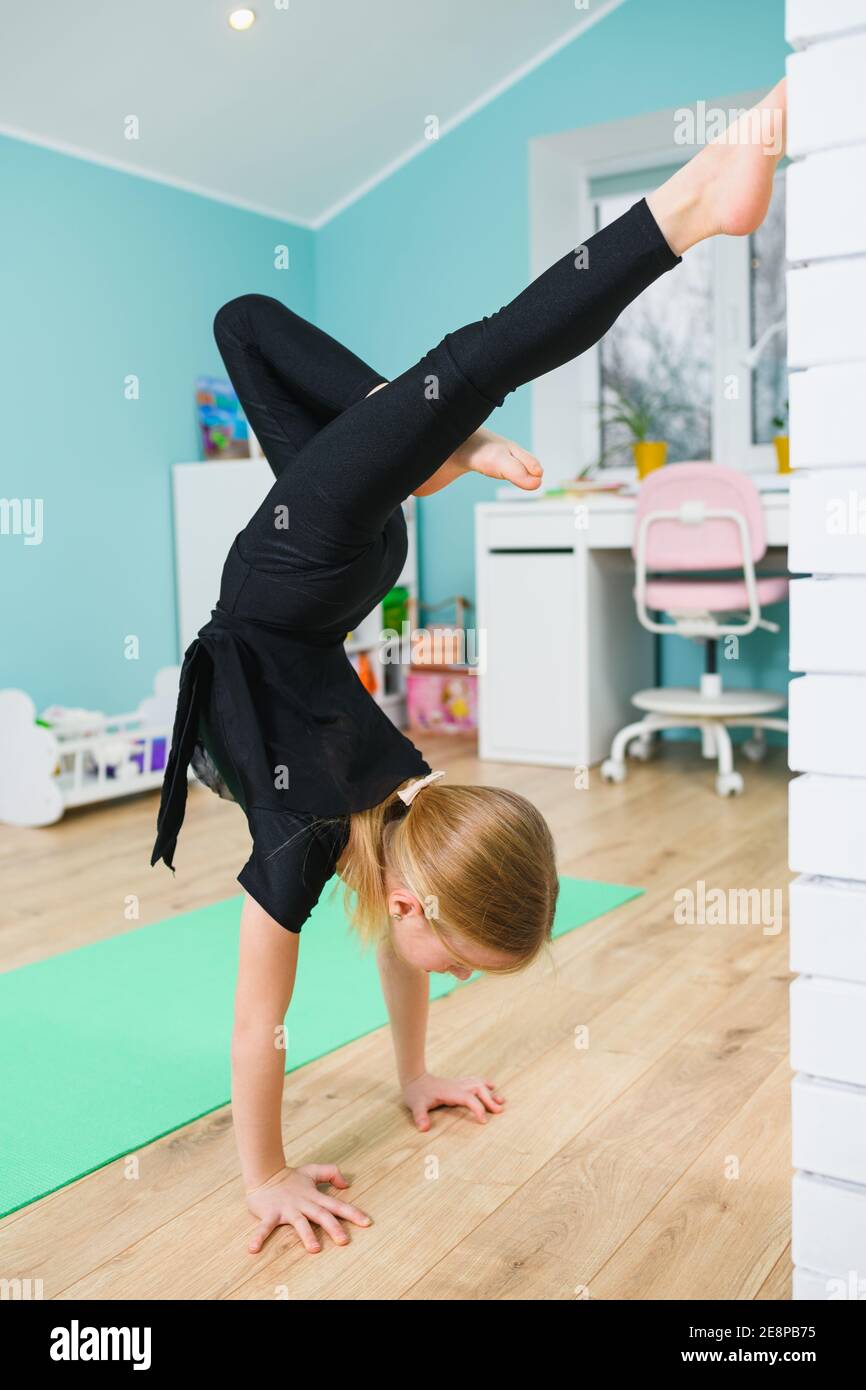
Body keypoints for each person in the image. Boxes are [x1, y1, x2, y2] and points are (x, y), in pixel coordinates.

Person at [152, 81, 787, 1254]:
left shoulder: (342, 839)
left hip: (308, 574)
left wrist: (411, 1074)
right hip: (314, 573)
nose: (450, 976)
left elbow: (272, 1016)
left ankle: (435, 443)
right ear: (415, 900)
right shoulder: (378, 816)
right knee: (452, 362)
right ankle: (684, 210)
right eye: (463, 966)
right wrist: (268, 1176)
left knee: (256, 322)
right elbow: (268, 1024)